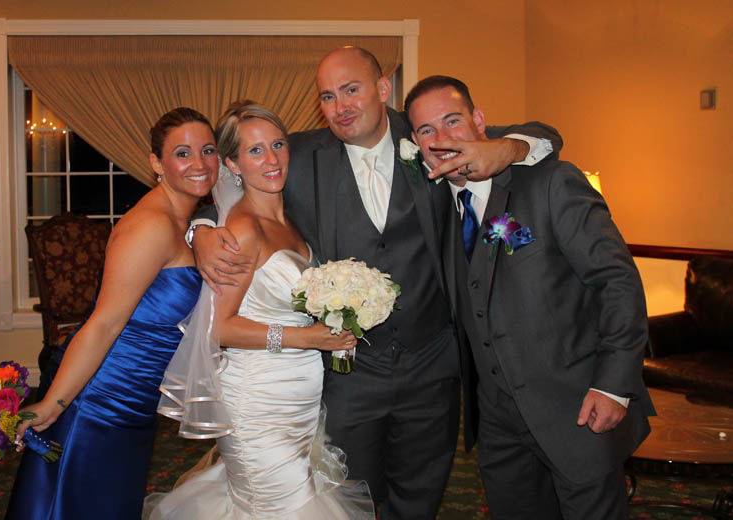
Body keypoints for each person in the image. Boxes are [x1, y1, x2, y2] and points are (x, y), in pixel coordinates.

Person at [192, 47, 563, 518]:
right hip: (349, 375)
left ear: (383, 89)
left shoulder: (429, 135)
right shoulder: (298, 155)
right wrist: (200, 232)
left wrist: (503, 149)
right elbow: (230, 193)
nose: (341, 106)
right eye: (328, 96)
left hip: (432, 366)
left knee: (421, 496)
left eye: (352, 89)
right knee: (348, 500)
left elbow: (544, 135)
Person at [405, 75, 654, 520]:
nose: (441, 140)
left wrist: (614, 385)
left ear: (482, 122)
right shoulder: (440, 205)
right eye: (426, 131)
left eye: (452, 121)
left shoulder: (551, 182)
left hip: (578, 409)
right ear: (416, 143)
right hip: (500, 428)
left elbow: (617, 280)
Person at [148, 103, 375, 519]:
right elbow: (218, 328)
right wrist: (303, 337)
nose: (271, 160)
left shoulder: (291, 221)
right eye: (255, 151)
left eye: (278, 145)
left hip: (299, 399)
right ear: (232, 162)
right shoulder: (242, 230)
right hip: (257, 400)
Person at [5, 108, 219, 520]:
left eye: (207, 150)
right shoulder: (150, 226)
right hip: (102, 399)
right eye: (182, 153)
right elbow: (104, 323)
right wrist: (54, 403)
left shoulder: (183, 218)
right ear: (157, 163)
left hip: (136, 398)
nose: (199, 164)